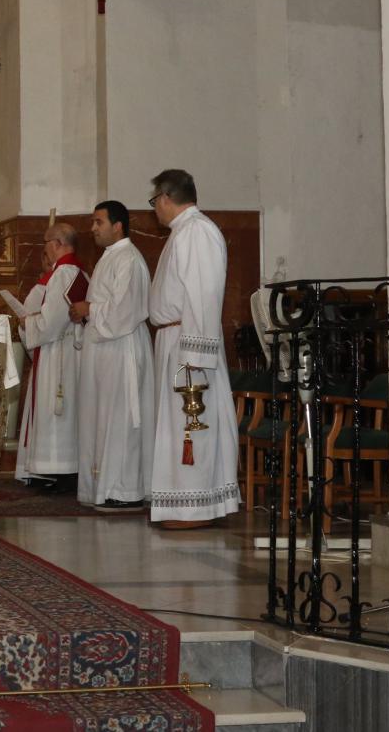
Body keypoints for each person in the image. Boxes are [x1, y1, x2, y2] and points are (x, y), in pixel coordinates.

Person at [146, 169, 241, 528]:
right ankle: (184, 505)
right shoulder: (183, 232)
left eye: (155, 201)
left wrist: (195, 357)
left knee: (191, 428)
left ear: (166, 198)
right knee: (177, 429)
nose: (154, 209)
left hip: (189, 346)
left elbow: (202, 295)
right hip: (175, 340)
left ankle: (194, 509)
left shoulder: (197, 231)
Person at [69, 202, 155, 510]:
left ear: (118, 225)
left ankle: (124, 488)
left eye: (98, 222)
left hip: (123, 349)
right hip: (105, 350)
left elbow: (125, 311)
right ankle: (102, 487)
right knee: (103, 417)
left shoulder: (129, 260)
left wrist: (89, 309)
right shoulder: (109, 258)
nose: (93, 228)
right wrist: (83, 313)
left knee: (122, 417)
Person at [12, 223, 87, 490]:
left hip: (58, 355)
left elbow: (52, 321)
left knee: (56, 412)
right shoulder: (74, 272)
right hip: (61, 351)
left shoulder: (64, 274)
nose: (44, 248)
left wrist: (28, 323)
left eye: (46, 243)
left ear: (57, 243)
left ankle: (56, 471)